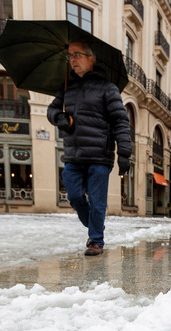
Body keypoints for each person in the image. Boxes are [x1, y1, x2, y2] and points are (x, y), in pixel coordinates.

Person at [48, 40, 132, 256]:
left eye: (77, 54)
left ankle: (96, 240)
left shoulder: (108, 88)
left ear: (90, 58)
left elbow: (120, 121)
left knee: (97, 201)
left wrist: (124, 153)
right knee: (74, 195)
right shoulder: (67, 87)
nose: (72, 60)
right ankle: (96, 225)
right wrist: (60, 118)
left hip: (99, 156)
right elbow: (52, 110)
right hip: (74, 154)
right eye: (70, 56)